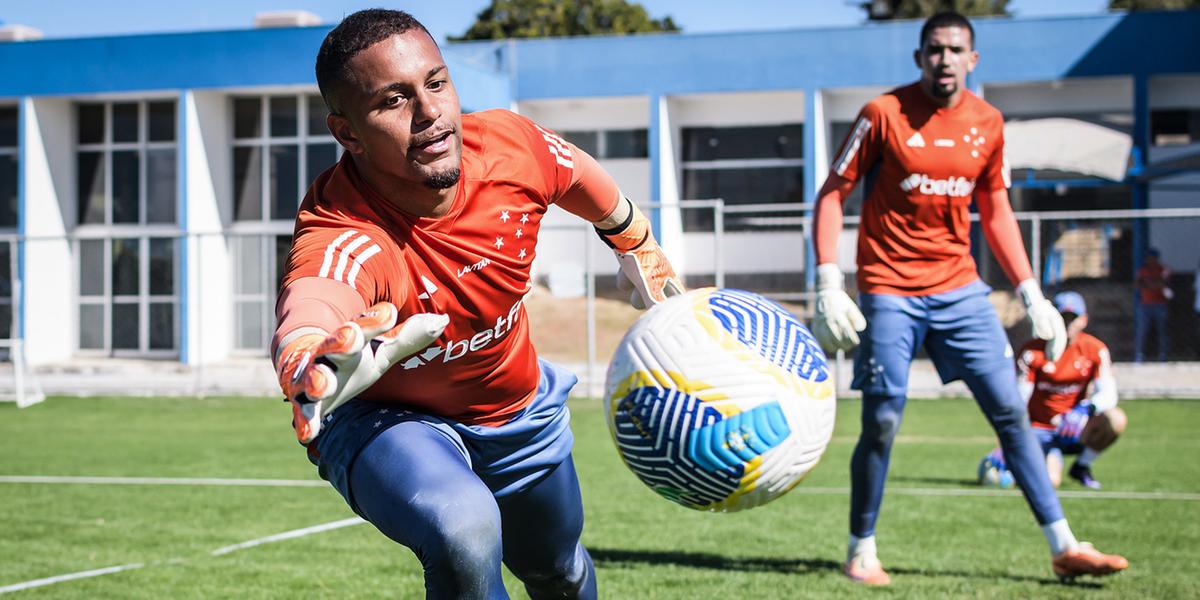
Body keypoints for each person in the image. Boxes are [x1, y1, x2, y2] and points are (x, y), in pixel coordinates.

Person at [271, 10, 683, 598]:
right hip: (388, 421)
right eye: (393, 101)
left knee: (558, 571)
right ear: (347, 132)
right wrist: (309, 366)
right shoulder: (347, 232)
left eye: (435, 83)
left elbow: (579, 176)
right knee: (463, 529)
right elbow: (311, 303)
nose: (430, 113)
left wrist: (635, 240)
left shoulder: (511, 147)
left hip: (517, 409)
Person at [810, 11, 1128, 585]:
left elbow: (998, 212)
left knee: (1010, 411)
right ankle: (861, 549)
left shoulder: (989, 123)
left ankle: (1065, 546)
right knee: (882, 418)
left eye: (956, 49)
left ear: (973, 59)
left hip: (961, 289)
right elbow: (834, 193)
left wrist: (1031, 293)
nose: (945, 59)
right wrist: (829, 280)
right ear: (919, 57)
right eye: (935, 49)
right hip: (889, 287)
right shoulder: (882, 113)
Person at [1012, 292, 1127, 490]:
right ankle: (1010, 458)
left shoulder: (1095, 349)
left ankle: (1082, 466)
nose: (1067, 324)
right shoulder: (1032, 351)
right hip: (1038, 431)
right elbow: (1020, 399)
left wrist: (1085, 409)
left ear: (1084, 320)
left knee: (1115, 419)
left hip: (1074, 428)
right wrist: (1013, 438)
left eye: (1073, 319)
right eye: (1063, 318)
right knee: (1049, 482)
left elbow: (1109, 394)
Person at [1134, 248, 1171, 362]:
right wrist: (1154, 283)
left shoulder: (1163, 269)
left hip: (1160, 304)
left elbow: (1163, 283)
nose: (1150, 260)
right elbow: (1138, 284)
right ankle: (1139, 354)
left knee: (1162, 331)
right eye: (1149, 258)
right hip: (1146, 305)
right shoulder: (1143, 270)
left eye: (1153, 258)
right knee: (1142, 331)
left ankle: (1163, 355)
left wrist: (1148, 283)